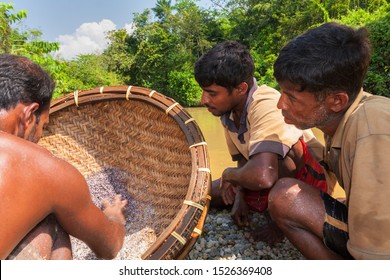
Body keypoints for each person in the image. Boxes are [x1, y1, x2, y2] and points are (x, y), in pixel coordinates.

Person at [269, 22, 390, 259]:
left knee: (286, 196)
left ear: (336, 101)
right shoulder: (338, 121)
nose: (280, 104)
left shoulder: (371, 127)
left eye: (291, 97)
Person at [194, 41, 329, 244]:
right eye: (204, 91)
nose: (204, 99)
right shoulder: (228, 112)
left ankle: (282, 217)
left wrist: (228, 174)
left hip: (306, 184)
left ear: (241, 88)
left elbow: (264, 175)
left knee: (280, 155)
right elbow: (242, 160)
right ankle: (263, 203)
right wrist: (239, 197)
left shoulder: (265, 103)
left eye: (212, 93)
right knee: (202, 191)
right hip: (266, 177)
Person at [0, 54, 127, 260]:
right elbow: (109, 246)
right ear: (30, 115)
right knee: (52, 221)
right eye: (44, 126)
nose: (40, 137)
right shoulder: (45, 168)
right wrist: (114, 217)